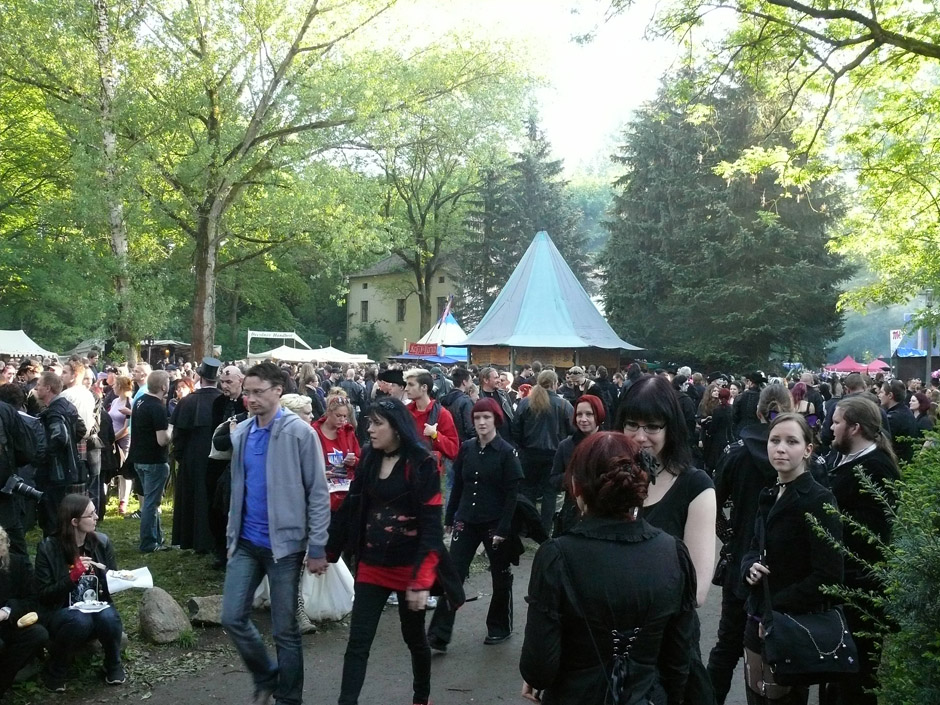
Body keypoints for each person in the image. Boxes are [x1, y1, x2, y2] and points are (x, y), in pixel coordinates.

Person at [519, 432, 696, 705]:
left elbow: (539, 669)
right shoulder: (673, 553)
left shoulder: (557, 557)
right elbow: (679, 660)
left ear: (576, 487)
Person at [327, 397, 452, 705]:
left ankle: (421, 697)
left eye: (377, 423)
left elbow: (433, 528)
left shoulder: (422, 464)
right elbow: (351, 508)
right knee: (358, 642)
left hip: (409, 569)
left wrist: (422, 581)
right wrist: (327, 551)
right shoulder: (369, 457)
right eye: (369, 422)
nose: (369, 429)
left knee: (415, 640)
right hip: (371, 565)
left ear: (396, 428)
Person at [220, 361, 331, 705]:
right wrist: (231, 537)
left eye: (257, 392)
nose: (249, 398)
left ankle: (288, 697)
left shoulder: (300, 433)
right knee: (232, 616)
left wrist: (318, 546)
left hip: (285, 547)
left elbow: (317, 491)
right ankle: (266, 675)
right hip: (247, 543)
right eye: (247, 392)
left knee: (285, 630)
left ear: (278, 391)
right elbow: (239, 490)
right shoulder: (241, 433)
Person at [616, 374, 717, 703]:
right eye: (632, 424)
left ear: (670, 428)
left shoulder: (695, 486)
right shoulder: (605, 478)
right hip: (604, 647)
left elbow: (697, 590)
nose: (640, 437)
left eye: (653, 427)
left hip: (667, 648)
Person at [741, 413, 843, 705]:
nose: (780, 448)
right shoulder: (770, 493)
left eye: (791, 441)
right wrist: (749, 567)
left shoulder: (819, 499)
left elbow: (829, 574)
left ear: (808, 450)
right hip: (756, 617)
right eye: (774, 441)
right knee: (756, 698)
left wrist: (778, 612)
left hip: (793, 626)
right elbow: (752, 547)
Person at [707, 383, 795, 704]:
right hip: (784, 568)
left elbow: (712, 502)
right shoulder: (800, 453)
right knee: (784, 647)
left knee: (727, 646)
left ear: (759, 411)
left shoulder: (736, 452)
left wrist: (729, 536)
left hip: (741, 560)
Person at [427, 397, 522, 651]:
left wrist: (504, 528)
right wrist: (450, 517)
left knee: (500, 576)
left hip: (495, 524)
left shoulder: (506, 452)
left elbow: (513, 495)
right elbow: (458, 484)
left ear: (495, 421)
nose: (481, 422)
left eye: (486, 418)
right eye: (477, 417)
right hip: (466, 520)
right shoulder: (467, 448)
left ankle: (500, 627)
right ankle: (439, 633)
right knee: (453, 574)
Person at [825, 397, 900, 705]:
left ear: (854, 428)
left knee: (856, 678)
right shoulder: (840, 457)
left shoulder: (876, 468)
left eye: (837, 422)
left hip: (861, 589)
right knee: (837, 674)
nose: (830, 426)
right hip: (842, 585)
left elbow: (867, 535)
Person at [34, 494, 126, 691]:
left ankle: (113, 664)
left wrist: (113, 577)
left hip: (98, 605)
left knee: (109, 618)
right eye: (90, 514)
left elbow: (110, 585)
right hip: (63, 610)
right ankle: (58, 668)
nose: (96, 518)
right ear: (74, 521)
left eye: (94, 513)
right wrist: (72, 577)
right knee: (79, 620)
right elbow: (43, 594)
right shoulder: (48, 548)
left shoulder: (101, 543)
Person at [511, 370, 575, 534]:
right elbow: (572, 430)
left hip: (529, 454)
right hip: (554, 456)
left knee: (528, 491)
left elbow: (515, 428)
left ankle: (526, 527)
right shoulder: (564, 405)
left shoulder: (526, 403)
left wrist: (522, 446)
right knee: (550, 494)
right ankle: (544, 529)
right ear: (555, 384)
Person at [171, 357, 223, 553]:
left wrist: (181, 456)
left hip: (193, 458)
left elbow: (178, 435)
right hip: (217, 458)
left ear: (199, 376)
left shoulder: (187, 402)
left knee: (194, 497)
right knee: (213, 499)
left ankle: (192, 539)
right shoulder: (223, 401)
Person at [34, 372, 86, 537]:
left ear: (48, 388)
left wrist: (43, 455)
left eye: (39, 385)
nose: (36, 388)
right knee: (63, 512)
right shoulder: (66, 405)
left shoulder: (55, 411)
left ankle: (55, 551)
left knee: (53, 515)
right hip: (68, 468)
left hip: (56, 471)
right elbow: (80, 429)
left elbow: (60, 437)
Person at [0, 524, 48, 700]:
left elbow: (33, 600)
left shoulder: (18, 564)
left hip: (11, 622)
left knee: (38, 634)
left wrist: (7, 611)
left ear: (6, 545)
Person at [549, 395, 605, 537]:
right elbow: (554, 480)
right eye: (579, 414)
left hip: (604, 515)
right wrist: (574, 477)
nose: (583, 419)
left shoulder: (610, 444)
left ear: (598, 415)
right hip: (572, 515)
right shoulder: (566, 446)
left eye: (589, 414)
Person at [128, 371, 171, 553]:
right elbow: (162, 440)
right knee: (151, 504)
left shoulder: (139, 401)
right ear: (163, 387)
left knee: (151, 501)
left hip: (139, 458)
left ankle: (157, 538)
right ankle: (148, 543)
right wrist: (172, 428)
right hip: (154, 460)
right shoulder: (157, 407)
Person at [312, 394, 361, 512]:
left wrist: (354, 461)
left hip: (346, 494)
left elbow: (360, 460)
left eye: (345, 416)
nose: (342, 420)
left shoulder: (348, 432)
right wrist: (319, 475)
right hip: (322, 495)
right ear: (328, 412)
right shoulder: (313, 432)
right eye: (338, 415)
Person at [107, 376, 133, 516]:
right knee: (111, 466)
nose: (112, 387)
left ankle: (123, 501)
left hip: (123, 439)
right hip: (112, 438)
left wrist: (115, 437)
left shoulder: (130, 402)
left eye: (115, 384)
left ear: (121, 386)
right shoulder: (115, 401)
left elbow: (127, 427)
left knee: (124, 470)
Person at [878, 379, 918, 463]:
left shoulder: (894, 417)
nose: (879, 395)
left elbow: (884, 444)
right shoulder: (906, 410)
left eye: (881, 392)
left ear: (890, 395)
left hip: (899, 463)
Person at [733, 371, 765, 437]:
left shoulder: (741, 397)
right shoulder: (763, 397)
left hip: (742, 429)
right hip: (758, 429)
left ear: (750, 382)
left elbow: (734, 415)